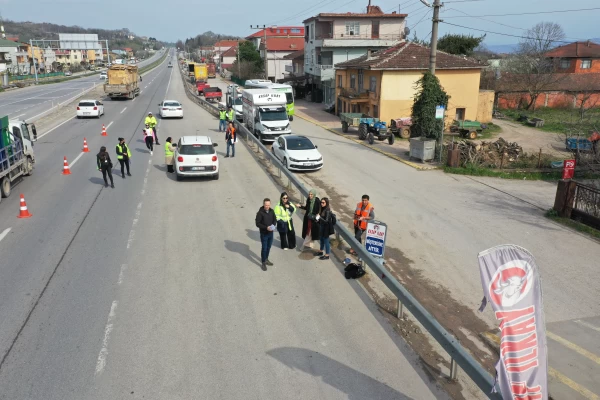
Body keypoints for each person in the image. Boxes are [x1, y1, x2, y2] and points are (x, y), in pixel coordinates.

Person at [255, 198, 277, 271]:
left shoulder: (272, 211)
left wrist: (273, 225)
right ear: (263, 204)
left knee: (269, 247)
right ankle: (263, 262)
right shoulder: (260, 213)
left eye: (268, 205)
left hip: (271, 233)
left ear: (270, 204)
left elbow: (275, 219)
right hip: (264, 233)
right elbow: (257, 224)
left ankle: (266, 259)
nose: (267, 206)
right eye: (266, 205)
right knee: (264, 248)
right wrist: (266, 227)